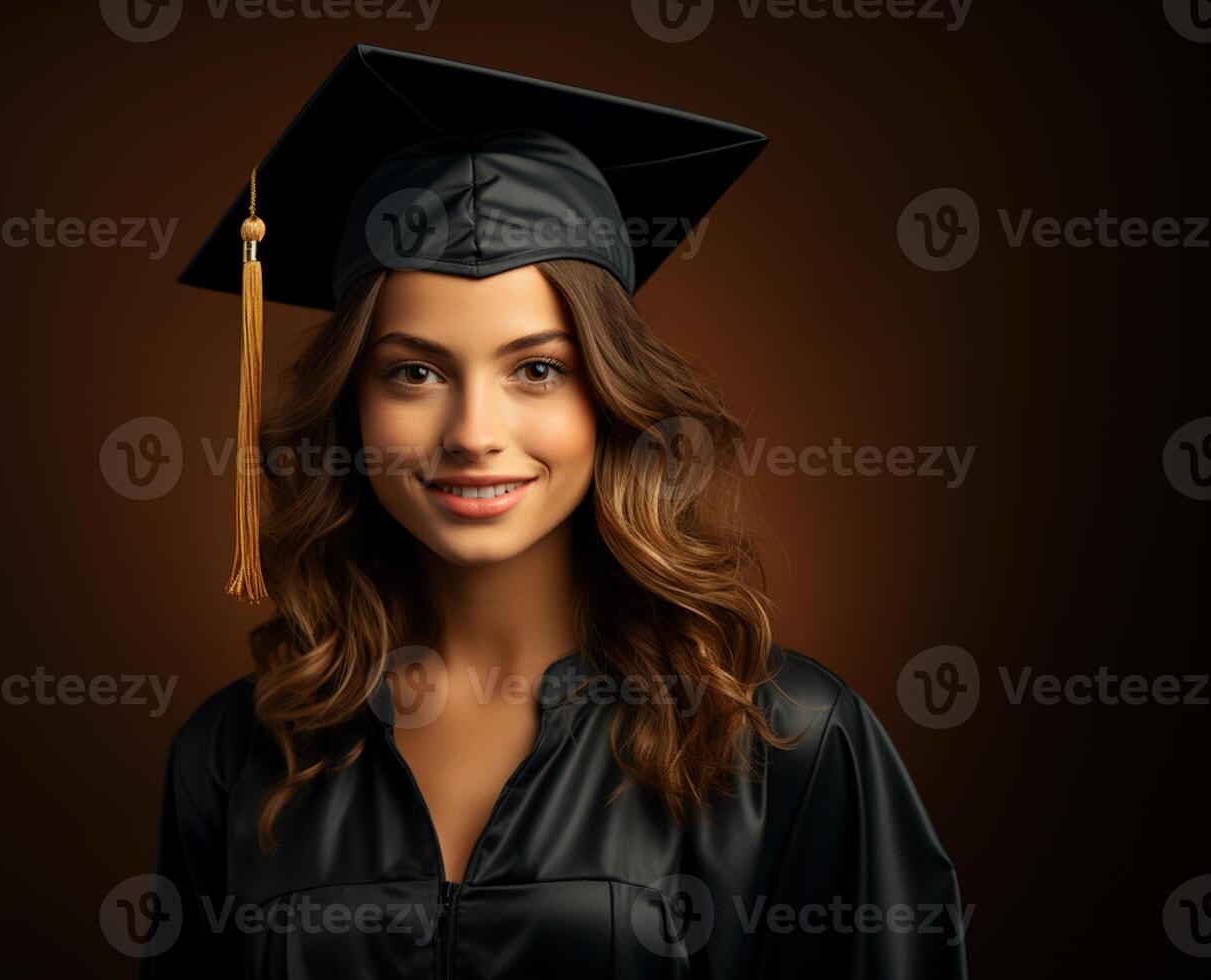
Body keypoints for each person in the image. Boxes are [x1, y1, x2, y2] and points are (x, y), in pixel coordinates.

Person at [140, 43, 968, 978]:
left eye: (538, 369)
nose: (473, 432)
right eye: (414, 372)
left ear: (609, 399)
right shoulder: (239, 754)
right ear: (352, 406)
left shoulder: (783, 737)